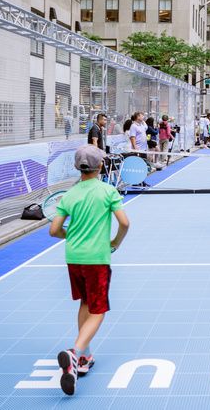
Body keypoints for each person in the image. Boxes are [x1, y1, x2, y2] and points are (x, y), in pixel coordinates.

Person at [49, 145, 130, 396]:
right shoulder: (108, 191)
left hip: (74, 258)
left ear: (78, 167)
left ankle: (84, 356)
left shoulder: (70, 195)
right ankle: (75, 353)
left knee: (85, 302)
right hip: (97, 259)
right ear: (101, 166)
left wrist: (70, 236)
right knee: (98, 310)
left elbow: (54, 230)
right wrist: (115, 242)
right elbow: (125, 223)